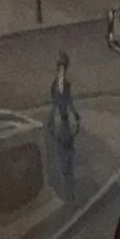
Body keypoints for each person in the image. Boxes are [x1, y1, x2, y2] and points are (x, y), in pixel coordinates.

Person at [48, 50, 81, 195]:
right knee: (66, 152)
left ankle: (68, 182)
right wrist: (75, 115)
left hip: (61, 121)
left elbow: (60, 101)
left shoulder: (58, 84)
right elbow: (64, 100)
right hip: (62, 121)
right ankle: (68, 185)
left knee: (65, 152)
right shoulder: (61, 84)